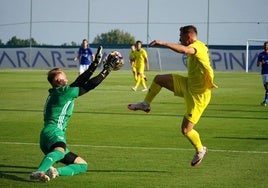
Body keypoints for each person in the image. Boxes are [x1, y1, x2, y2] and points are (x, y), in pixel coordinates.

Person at [128, 25, 217, 167]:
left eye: (181, 36)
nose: (179, 38)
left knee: (186, 130)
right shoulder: (193, 45)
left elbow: (185, 50)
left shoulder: (197, 47)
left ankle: (200, 149)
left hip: (198, 96)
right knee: (158, 79)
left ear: (189, 37)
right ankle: (146, 104)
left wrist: (163, 43)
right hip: (188, 84)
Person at [30, 46, 120, 182]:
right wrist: (106, 70)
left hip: (47, 136)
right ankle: (39, 171)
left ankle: (54, 171)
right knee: (60, 151)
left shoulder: (59, 91)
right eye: (63, 75)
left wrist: (95, 64)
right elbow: (89, 85)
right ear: (59, 81)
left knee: (82, 165)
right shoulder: (64, 92)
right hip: (54, 132)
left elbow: (80, 80)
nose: (66, 77)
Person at [257, 41, 268, 106]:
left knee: (267, 85)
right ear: (264, 46)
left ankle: (266, 101)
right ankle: (266, 100)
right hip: (263, 72)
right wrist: (259, 63)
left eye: (267, 45)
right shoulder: (261, 54)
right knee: (266, 88)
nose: (266, 46)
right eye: (265, 45)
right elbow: (258, 63)